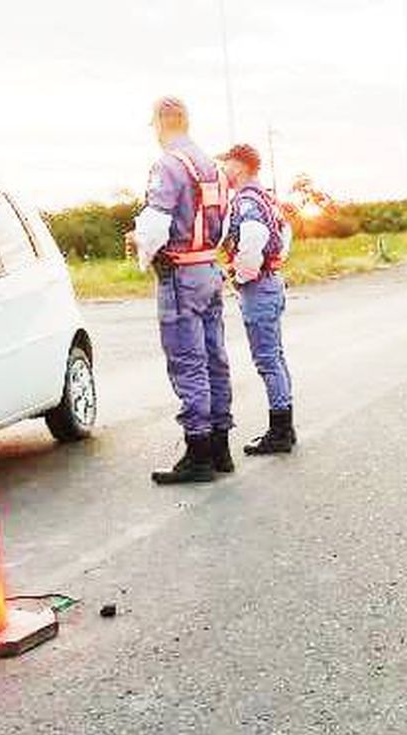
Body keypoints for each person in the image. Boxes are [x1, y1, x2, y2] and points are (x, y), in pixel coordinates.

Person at [126, 97, 235, 483]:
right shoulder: (214, 167)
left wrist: (144, 252)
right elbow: (225, 222)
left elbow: (155, 224)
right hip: (209, 266)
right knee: (215, 357)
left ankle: (198, 452)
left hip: (181, 274)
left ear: (160, 122)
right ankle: (221, 447)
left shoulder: (168, 164)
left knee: (188, 362)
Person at [217, 144, 297, 454]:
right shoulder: (266, 197)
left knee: (267, 360)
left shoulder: (246, 201)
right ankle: (284, 427)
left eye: (226, 163)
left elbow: (252, 240)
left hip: (259, 287)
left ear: (239, 166)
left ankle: (279, 432)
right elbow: (284, 234)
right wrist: (273, 262)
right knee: (276, 357)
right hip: (272, 281)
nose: (224, 169)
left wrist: (241, 275)